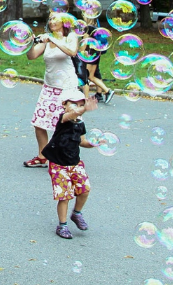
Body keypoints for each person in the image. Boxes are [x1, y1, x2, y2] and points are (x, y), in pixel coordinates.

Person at [23, 13, 79, 168]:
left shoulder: (71, 37)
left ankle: (65, 155)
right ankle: (42, 156)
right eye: (50, 18)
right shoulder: (46, 39)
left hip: (67, 88)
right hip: (49, 87)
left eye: (55, 18)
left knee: (65, 123)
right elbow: (32, 56)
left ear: (64, 22)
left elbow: (72, 52)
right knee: (38, 122)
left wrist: (53, 39)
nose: (51, 21)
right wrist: (29, 44)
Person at [41, 89, 97, 239]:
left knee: (85, 190)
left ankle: (76, 213)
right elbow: (72, 114)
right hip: (58, 164)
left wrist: (93, 143)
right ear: (64, 104)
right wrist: (84, 108)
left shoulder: (80, 123)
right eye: (74, 104)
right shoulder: (63, 118)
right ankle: (62, 225)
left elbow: (82, 141)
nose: (77, 107)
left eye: (80, 104)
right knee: (64, 196)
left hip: (75, 163)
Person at [81, 17, 114, 104]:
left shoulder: (87, 28)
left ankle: (87, 98)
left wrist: (79, 54)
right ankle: (102, 93)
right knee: (93, 75)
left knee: (86, 76)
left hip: (89, 55)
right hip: (96, 53)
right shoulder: (96, 27)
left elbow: (85, 43)